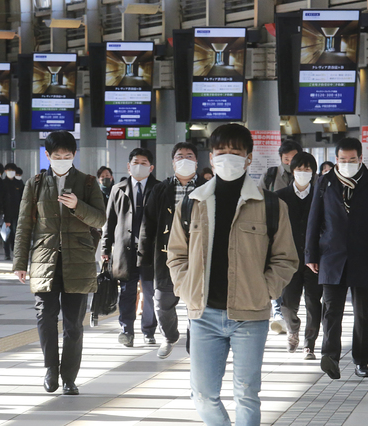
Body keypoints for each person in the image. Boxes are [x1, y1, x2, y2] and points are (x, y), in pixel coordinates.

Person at [167, 123, 298, 426]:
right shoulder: (191, 203)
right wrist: (187, 289)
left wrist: (264, 289)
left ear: (248, 158)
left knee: (247, 393)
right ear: (210, 158)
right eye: (221, 152)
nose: (228, 157)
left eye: (235, 152)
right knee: (202, 394)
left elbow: (286, 258)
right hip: (204, 315)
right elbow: (176, 254)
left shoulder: (270, 205)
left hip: (250, 316)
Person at [13, 131, 106, 396]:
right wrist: (20, 262)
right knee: (45, 317)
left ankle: (69, 377)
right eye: (57, 156)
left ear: (74, 155)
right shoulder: (36, 183)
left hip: (78, 261)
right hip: (45, 260)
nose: (62, 159)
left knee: (74, 324)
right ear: (48, 156)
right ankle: (50, 368)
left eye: (67, 155)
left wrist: (78, 206)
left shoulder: (88, 183)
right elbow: (24, 225)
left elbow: (100, 219)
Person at [306, 137, 368, 380]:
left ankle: (362, 361)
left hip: (365, 254)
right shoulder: (325, 182)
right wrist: (310, 253)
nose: (347, 163)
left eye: (352, 160)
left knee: (363, 313)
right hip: (332, 255)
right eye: (343, 160)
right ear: (336, 159)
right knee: (331, 310)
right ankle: (330, 357)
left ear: (361, 159)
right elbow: (314, 219)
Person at [139, 142, 204, 358]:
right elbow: (148, 225)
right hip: (167, 256)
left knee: (197, 302)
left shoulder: (207, 188)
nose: (184, 159)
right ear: (172, 162)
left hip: (199, 256)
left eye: (189, 155)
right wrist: (144, 259)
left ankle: (194, 344)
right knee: (162, 302)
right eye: (179, 156)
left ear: (197, 161)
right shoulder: (160, 189)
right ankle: (170, 335)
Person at [102, 148, 158, 348]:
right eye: (135, 162)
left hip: (150, 250)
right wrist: (105, 248)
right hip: (125, 250)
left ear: (151, 168)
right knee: (126, 292)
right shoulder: (118, 189)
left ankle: (149, 330)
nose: (139, 166)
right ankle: (127, 330)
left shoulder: (158, 188)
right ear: (128, 166)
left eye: (144, 163)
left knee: (150, 292)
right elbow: (109, 222)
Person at [276, 152, 323, 360]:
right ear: (292, 171)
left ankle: (309, 344)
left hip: (315, 258)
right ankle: (293, 328)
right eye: (299, 169)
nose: (303, 173)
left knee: (314, 301)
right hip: (289, 258)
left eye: (307, 169)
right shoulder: (280, 197)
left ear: (313, 172)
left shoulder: (320, 196)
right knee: (287, 303)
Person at [259, 139, 302, 333]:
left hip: (300, 234)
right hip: (274, 233)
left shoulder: (308, 175)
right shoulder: (270, 176)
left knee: (293, 275)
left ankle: (288, 313)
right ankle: (278, 313)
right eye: (286, 159)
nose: (290, 163)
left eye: (294, 159)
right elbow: (258, 201)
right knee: (275, 269)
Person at [3, 163, 24, 261]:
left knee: (16, 234)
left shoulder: (19, 183)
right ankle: (7, 253)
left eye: (12, 170)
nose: (10, 172)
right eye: (8, 170)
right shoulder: (2, 183)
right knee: (6, 235)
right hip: (5, 213)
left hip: (17, 213)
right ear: (5, 171)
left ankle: (16, 253)